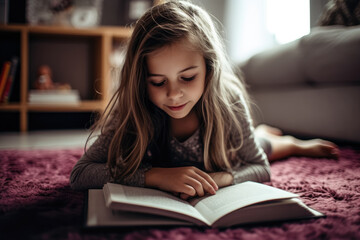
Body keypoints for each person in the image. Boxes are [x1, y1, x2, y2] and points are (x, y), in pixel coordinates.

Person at [70, 1, 339, 200]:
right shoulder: (134, 106)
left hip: (224, 155)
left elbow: (259, 167)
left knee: (261, 147)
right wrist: (155, 176)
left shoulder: (228, 101)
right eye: (158, 82)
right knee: (252, 143)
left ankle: (287, 142)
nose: (173, 94)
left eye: (187, 78)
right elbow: (81, 174)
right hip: (194, 158)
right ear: (142, 79)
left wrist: (218, 178)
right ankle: (261, 135)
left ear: (209, 68)